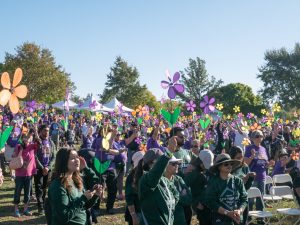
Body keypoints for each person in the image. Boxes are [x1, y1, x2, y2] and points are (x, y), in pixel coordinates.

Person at [48, 148, 102, 225]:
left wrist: (95, 196)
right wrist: (83, 198)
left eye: (77, 157)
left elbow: (84, 206)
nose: (77, 160)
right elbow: (64, 216)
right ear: (63, 161)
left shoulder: (76, 179)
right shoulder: (57, 186)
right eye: (72, 158)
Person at [136, 137, 179, 225]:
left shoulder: (164, 180)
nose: (165, 164)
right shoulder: (145, 179)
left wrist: (169, 202)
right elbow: (155, 174)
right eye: (161, 162)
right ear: (151, 164)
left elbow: (175, 194)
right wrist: (168, 153)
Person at [205, 153, 248, 225]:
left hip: (237, 218)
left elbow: (244, 198)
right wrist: (227, 213)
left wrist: (240, 210)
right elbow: (210, 202)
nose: (229, 166)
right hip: (220, 220)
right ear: (219, 167)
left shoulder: (238, 181)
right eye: (226, 164)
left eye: (231, 163)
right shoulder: (213, 182)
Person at [244, 130, 274, 212]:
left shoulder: (263, 149)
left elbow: (265, 164)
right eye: (257, 136)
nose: (259, 138)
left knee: (260, 198)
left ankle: (260, 217)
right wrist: (252, 156)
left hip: (262, 176)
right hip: (252, 177)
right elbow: (245, 163)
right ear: (253, 138)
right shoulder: (249, 148)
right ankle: (248, 217)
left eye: (261, 136)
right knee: (250, 199)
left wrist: (269, 164)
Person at [12, 132, 38, 217]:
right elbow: (14, 156)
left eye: (29, 137)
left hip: (29, 174)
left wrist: (36, 131)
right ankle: (16, 209)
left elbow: (39, 142)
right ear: (22, 138)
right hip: (19, 174)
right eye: (25, 137)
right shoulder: (18, 146)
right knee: (18, 191)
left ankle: (25, 209)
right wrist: (21, 150)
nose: (27, 139)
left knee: (27, 193)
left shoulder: (32, 146)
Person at [230, 146, 255, 225]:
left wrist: (250, 178)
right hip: (231, 200)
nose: (240, 159)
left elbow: (246, 188)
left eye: (241, 157)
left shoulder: (244, 166)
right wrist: (240, 182)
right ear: (232, 157)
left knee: (244, 222)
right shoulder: (228, 167)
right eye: (238, 157)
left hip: (243, 199)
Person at [34, 124, 56, 214]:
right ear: (41, 131)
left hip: (48, 169)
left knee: (45, 188)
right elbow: (34, 156)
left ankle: (42, 201)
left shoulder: (51, 142)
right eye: (44, 130)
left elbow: (54, 156)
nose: (46, 132)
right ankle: (40, 206)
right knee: (38, 187)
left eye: (47, 130)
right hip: (39, 169)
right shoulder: (37, 142)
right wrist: (42, 167)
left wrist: (48, 167)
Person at [164, 155, 192, 225]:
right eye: (173, 164)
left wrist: (175, 197)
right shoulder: (160, 181)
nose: (177, 166)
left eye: (178, 163)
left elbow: (189, 199)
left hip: (180, 220)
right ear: (165, 165)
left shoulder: (179, 179)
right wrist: (181, 195)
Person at [125, 151, 145, 225]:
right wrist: (134, 216)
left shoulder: (146, 173)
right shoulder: (131, 177)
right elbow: (129, 198)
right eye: (143, 161)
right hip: (137, 212)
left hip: (145, 211)